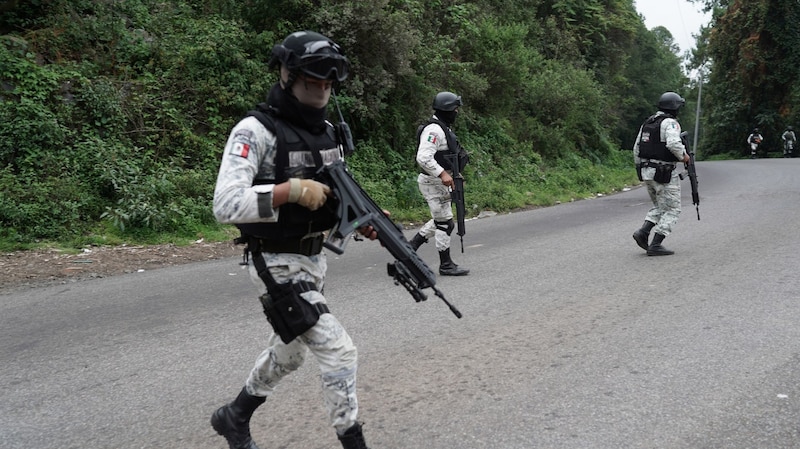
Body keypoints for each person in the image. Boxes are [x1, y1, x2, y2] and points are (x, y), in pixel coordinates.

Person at [210, 30, 373, 449]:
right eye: (311, 83)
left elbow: (337, 195)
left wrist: (362, 219)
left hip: (314, 259)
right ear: (285, 76)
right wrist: (289, 191)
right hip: (274, 260)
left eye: (327, 85)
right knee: (339, 351)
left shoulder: (330, 132)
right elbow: (225, 204)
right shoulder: (255, 131)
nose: (320, 92)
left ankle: (235, 416)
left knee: (291, 352)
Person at [408, 91, 470, 276]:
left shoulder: (443, 128)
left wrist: (455, 175)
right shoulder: (434, 130)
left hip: (440, 182)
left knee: (443, 222)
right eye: (455, 109)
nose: (457, 112)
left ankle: (408, 249)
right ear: (447, 110)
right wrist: (442, 173)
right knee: (444, 223)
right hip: (432, 182)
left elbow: (448, 157)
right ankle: (445, 265)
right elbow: (423, 157)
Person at [631, 91, 691, 256]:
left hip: (646, 171)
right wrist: (685, 157)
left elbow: (636, 149)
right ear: (675, 107)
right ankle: (656, 244)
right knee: (673, 209)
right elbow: (673, 144)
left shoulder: (648, 122)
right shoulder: (670, 123)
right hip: (663, 172)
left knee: (659, 206)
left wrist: (640, 170)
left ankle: (643, 232)